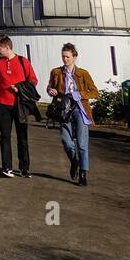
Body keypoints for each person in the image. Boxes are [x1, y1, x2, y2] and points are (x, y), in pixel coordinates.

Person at [46, 43, 98, 186]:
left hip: (80, 109)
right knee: (66, 142)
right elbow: (49, 87)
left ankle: (83, 174)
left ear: (74, 57)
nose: (65, 59)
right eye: (63, 56)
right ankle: (74, 161)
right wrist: (51, 90)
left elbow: (95, 92)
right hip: (63, 109)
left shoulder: (83, 74)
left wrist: (79, 94)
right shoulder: (56, 72)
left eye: (68, 57)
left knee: (82, 144)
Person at [0, 36, 38, 178]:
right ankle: (7, 168)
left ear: (7, 47)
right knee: (4, 136)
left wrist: (20, 88)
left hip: (20, 105)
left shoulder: (23, 61)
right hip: (3, 104)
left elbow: (33, 80)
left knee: (22, 137)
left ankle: (24, 168)